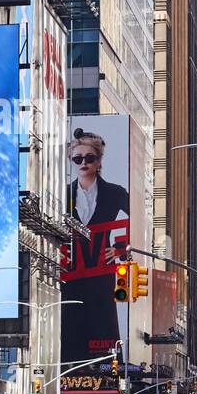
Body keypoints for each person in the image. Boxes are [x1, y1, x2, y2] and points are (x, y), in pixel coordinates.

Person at [62, 126, 130, 362]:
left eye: (89, 158)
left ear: (99, 160)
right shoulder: (62, 194)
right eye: (77, 159)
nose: (83, 163)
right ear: (71, 160)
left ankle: (109, 368)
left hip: (101, 275)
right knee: (70, 325)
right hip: (70, 273)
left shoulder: (115, 193)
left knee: (104, 326)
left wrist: (120, 249)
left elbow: (141, 222)